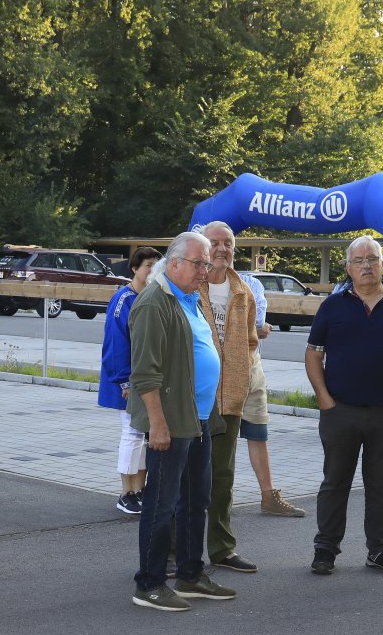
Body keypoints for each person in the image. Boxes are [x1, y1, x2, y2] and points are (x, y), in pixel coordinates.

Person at [306, 236, 383, 577]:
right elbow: (313, 354)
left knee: (381, 484)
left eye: (372, 259)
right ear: (348, 267)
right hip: (340, 411)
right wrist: (325, 400)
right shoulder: (333, 305)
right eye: (358, 260)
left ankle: (380, 550)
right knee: (335, 482)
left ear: (382, 263)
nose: (366, 265)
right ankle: (325, 549)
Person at [127, 232, 234, 612]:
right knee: (162, 504)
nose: (205, 270)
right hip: (170, 422)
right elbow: (144, 373)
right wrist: (157, 424)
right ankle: (149, 583)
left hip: (198, 419)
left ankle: (190, 574)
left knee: (195, 500)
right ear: (173, 263)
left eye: (207, 263)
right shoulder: (154, 302)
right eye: (199, 263)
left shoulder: (189, 299)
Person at [198, 222, 259, 575]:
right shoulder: (189, 285)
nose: (221, 249)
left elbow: (251, 341)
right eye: (214, 243)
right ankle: (173, 550)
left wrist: (241, 376)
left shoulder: (242, 291)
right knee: (185, 477)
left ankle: (222, 548)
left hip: (230, 400)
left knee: (222, 479)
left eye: (228, 243)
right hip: (192, 400)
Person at [98, 246, 161, 515]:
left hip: (146, 379)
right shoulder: (123, 299)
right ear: (135, 268)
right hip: (125, 380)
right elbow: (116, 344)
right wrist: (123, 382)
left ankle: (141, 488)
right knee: (132, 434)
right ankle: (127, 492)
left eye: (156, 265)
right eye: (148, 265)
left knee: (145, 435)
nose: (152, 270)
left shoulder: (155, 295)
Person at [238, 270, 303, 518]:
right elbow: (258, 329)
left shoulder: (251, 284)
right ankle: (215, 497)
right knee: (219, 438)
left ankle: (268, 496)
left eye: (229, 249)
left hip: (251, 367)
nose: (222, 252)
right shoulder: (202, 282)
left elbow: (260, 326)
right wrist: (253, 328)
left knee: (258, 431)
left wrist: (252, 329)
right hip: (218, 373)